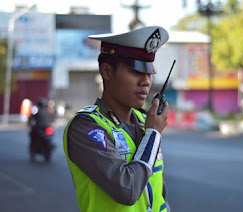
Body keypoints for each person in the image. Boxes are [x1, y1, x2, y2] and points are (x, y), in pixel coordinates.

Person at [63, 26, 171, 212]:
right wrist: (153, 134)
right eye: (136, 71)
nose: (145, 81)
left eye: (149, 73)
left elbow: (156, 191)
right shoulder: (86, 127)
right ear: (107, 71)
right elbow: (127, 190)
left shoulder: (144, 119)